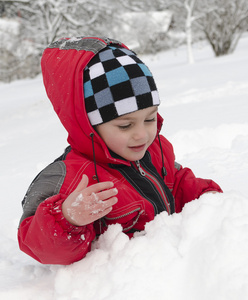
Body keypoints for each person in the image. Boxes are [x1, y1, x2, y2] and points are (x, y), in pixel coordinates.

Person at [18, 37, 222, 265]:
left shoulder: (155, 149)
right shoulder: (68, 177)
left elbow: (176, 183)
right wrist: (67, 218)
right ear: (89, 124)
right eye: (125, 125)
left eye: (149, 118)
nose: (142, 135)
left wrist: (206, 198)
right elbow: (37, 245)